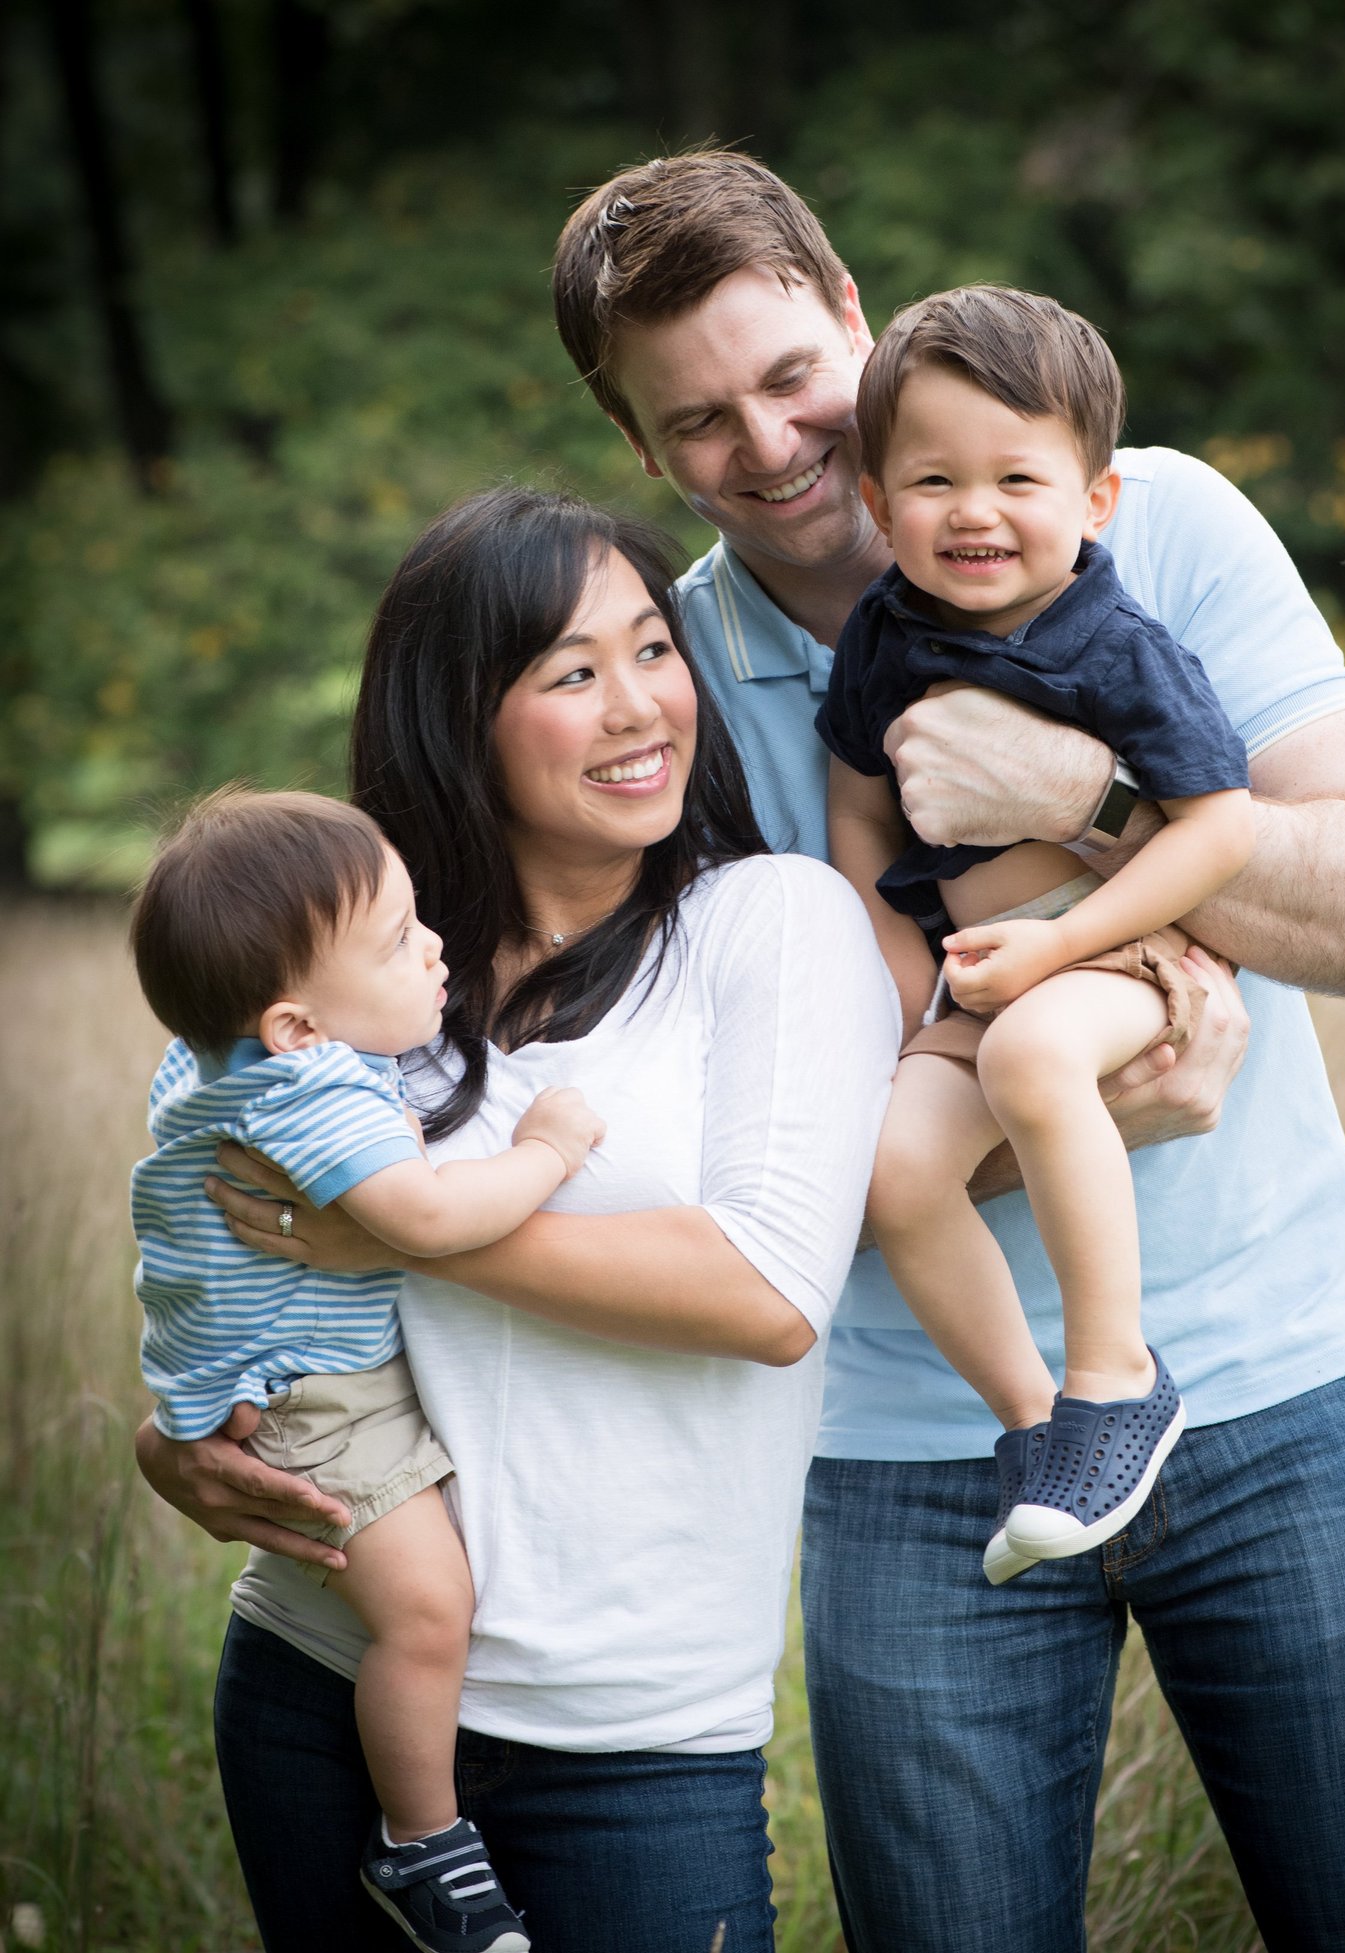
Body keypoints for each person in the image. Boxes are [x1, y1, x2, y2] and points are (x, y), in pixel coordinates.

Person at [544, 151, 1345, 1953]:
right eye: (699, 421)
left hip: (1280, 1389)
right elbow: (720, 1130)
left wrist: (1086, 797)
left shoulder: (1161, 520)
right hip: (916, 1452)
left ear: (852, 310)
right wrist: (1041, 1091)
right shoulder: (662, 687)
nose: (771, 445)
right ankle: (1061, 1415)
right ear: (639, 445)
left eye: (791, 378)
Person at [134, 485, 900, 1953]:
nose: (640, 706)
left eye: (653, 649)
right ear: (457, 717)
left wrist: (408, 1228)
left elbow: (765, 1292)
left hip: (630, 1737)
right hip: (324, 1675)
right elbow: (212, 1217)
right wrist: (172, 1438)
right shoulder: (363, 963)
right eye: (571, 672)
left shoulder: (772, 922)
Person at [820, 284, 1257, 1580]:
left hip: (1114, 950)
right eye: (934, 480)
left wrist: (1060, 952)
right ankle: (1035, 1426)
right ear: (878, 501)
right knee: (899, 1163)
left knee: (1030, 1056)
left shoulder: (1113, 643)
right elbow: (860, 806)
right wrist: (907, 982)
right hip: (983, 980)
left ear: (1094, 499)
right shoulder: (884, 633)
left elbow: (1219, 828)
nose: (975, 511)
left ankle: (1115, 1381)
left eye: (1018, 478)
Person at [131, 786, 607, 1953]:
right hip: (319, 1400)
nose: (435, 947)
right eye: (399, 942)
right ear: (296, 1025)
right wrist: (548, 1150)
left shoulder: (215, 1062)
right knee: (430, 1614)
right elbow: (429, 1220)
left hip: (277, 1378)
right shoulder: (314, 1088)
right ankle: (421, 1842)